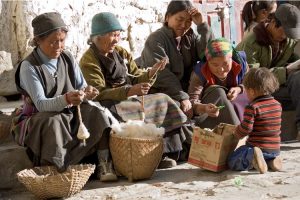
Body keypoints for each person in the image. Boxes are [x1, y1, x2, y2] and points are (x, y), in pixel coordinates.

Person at [11, 12, 117, 182]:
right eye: (53, 41)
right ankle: (57, 171)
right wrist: (67, 99)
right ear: (38, 40)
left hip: (67, 110)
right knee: (53, 122)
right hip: (39, 116)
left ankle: (104, 164)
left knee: (97, 112)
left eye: (62, 40)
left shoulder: (67, 57)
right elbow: (41, 104)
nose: (58, 46)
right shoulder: (29, 66)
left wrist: (87, 91)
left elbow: (81, 85)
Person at [79, 12, 188, 169]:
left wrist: (152, 72)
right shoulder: (89, 60)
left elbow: (136, 76)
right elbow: (98, 92)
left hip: (127, 98)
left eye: (118, 35)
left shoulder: (121, 53)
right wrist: (128, 91)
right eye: (112, 35)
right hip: (107, 104)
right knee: (128, 108)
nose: (116, 39)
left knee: (162, 100)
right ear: (98, 37)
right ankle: (116, 162)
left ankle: (162, 154)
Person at [137, 0, 213, 118]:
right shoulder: (156, 39)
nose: (184, 25)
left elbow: (208, 54)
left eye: (188, 21)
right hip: (163, 91)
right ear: (168, 17)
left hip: (185, 90)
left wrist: (202, 25)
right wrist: (182, 97)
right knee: (178, 111)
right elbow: (162, 74)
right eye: (179, 19)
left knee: (215, 96)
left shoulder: (189, 36)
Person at [236, 3, 300, 140]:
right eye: (283, 31)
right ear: (272, 22)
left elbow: (294, 59)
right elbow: (253, 78)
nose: (286, 36)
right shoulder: (252, 42)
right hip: (257, 92)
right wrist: (285, 72)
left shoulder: (287, 40)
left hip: (277, 88)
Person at [228, 67, 282, 174]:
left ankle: (253, 158)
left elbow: (246, 129)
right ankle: (271, 161)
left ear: (252, 91)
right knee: (265, 155)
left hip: (257, 147)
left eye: (246, 91)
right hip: (274, 149)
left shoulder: (253, 107)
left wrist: (236, 133)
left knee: (233, 160)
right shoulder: (277, 104)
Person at [188, 38, 248, 129]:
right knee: (218, 92)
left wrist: (239, 89)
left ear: (231, 58)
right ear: (208, 62)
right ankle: (237, 133)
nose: (221, 70)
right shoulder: (200, 72)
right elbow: (192, 102)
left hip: (237, 107)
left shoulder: (241, 64)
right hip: (211, 112)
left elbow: (251, 84)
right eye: (215, 65)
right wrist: (204, 108)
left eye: (225, 64)